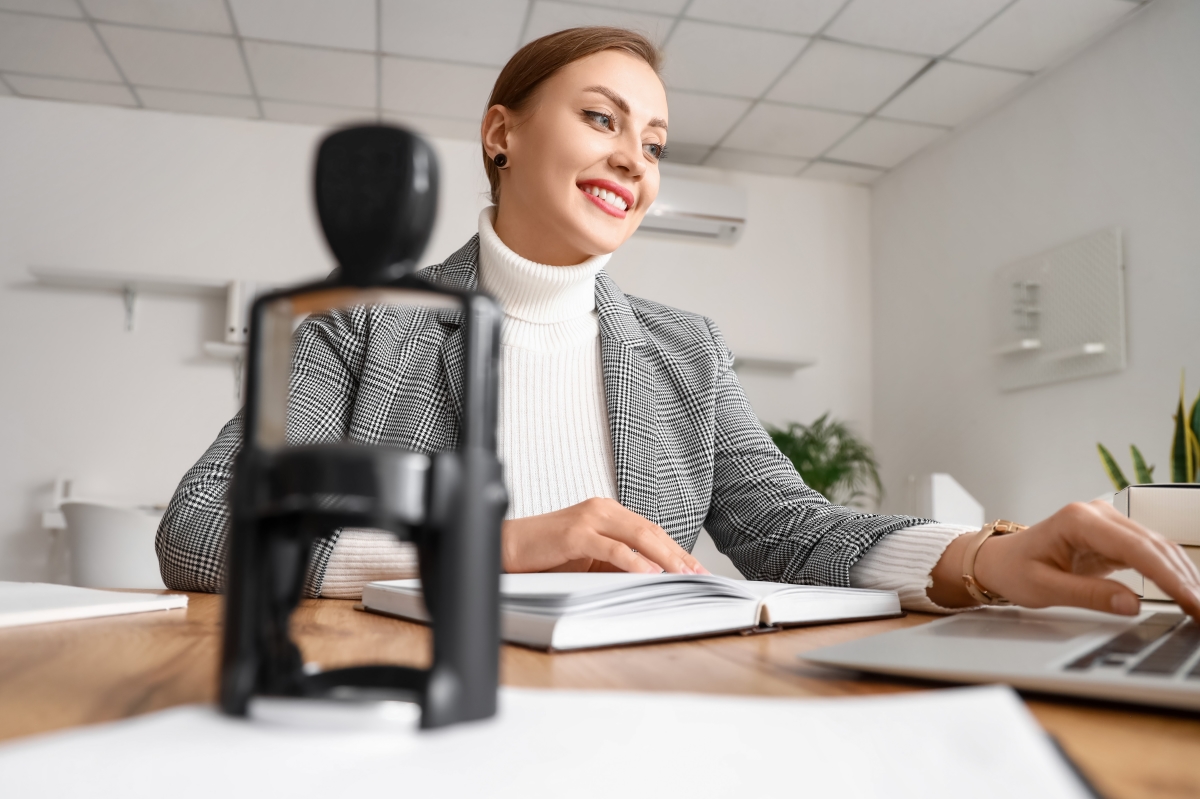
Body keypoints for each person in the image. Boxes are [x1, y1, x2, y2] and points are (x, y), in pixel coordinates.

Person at [157, 26, 1200, 619]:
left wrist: (978, 557)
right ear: (502, 133)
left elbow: (788, 530)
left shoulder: (684, 347)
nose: (634, 160)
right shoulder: (357, 325)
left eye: (653, 141)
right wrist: (487, 547)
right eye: (602, 118)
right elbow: (200, 533)